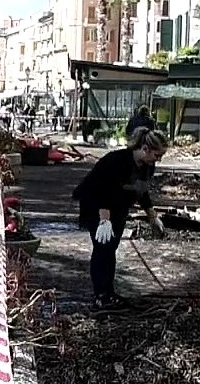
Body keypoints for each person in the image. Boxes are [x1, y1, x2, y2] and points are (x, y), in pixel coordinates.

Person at [71, 127, 169, 310]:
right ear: (145, 148)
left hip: (119, 207)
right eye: (157, 155)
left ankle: (109, 291)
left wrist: (152, 216)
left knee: (112, 247)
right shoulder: (116, 161)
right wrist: (103, 220)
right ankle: (100, 294)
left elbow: (142, 190)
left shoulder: (147, 166)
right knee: (102, 248)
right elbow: (101, 190)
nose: (159, 159)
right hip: (95, 205)